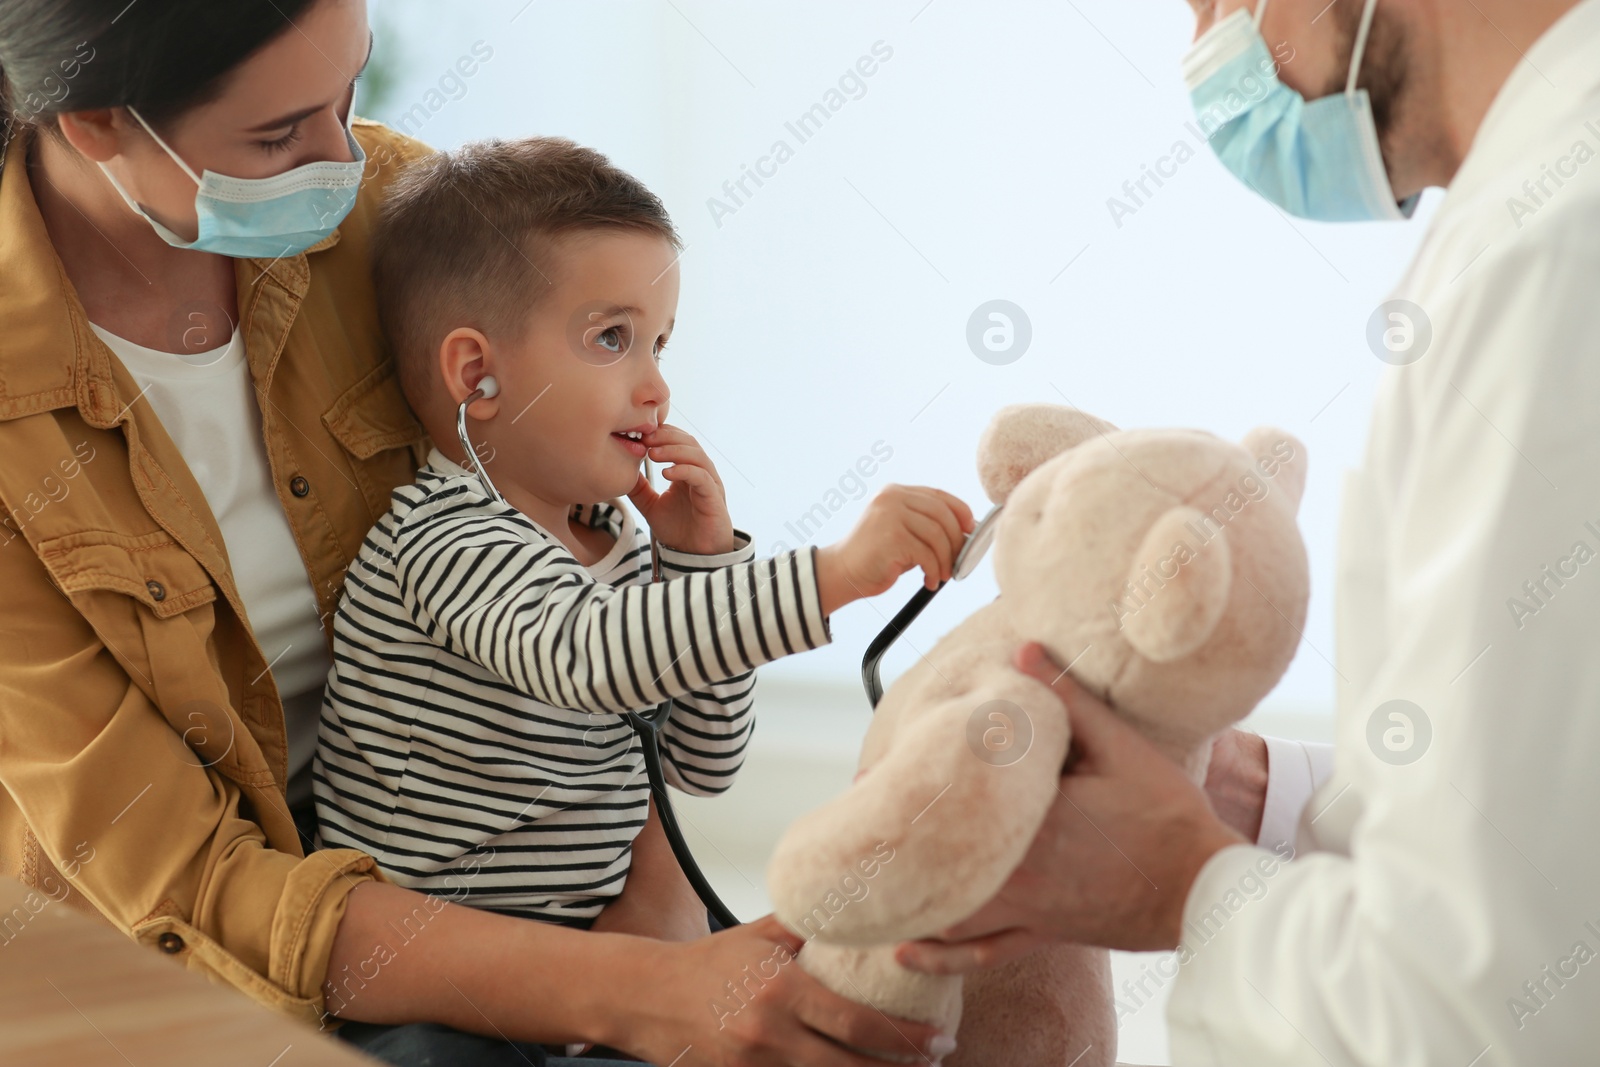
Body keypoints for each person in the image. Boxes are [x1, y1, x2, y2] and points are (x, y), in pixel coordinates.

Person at [0, 2, 960, 1064]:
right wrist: (631, 992)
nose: (346, 158)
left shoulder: (396, 218)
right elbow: (192, 884)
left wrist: (659, 908)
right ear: (93, 121)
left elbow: (639, 676)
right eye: (278, 137)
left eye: (350, 93)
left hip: (554, 908)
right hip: (234, 962)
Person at [899, 0, 1600, 1063]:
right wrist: (1244, 792)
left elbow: (1484, 1014)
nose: (1207, 54)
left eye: (1212, 5)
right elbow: (1541, 820)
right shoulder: (1534, 205)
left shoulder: (1547, 260)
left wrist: (1184, 883)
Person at [314, 133, 974, 951]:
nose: (656, 384)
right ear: (475, 375)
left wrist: (699, 561)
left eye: (660, 342)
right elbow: (585, 658)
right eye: (611, 339)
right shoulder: (443, 539)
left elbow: (706, 759)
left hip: (587, 950)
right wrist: (833, 576)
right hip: (441, 979)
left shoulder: (612, 538)